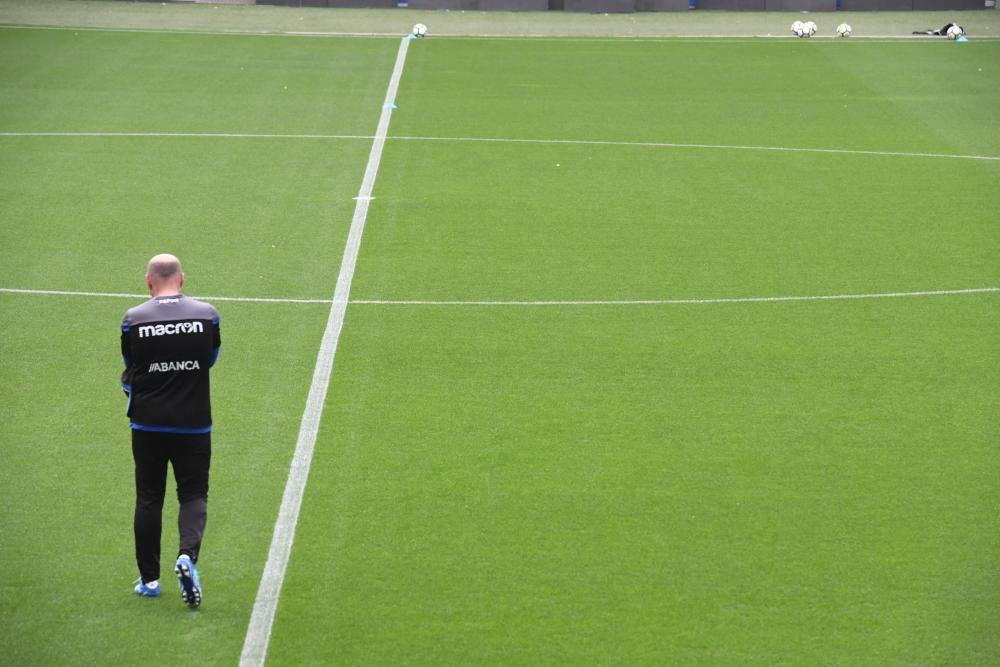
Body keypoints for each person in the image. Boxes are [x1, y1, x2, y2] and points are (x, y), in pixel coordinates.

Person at [121, 254, 221, 608]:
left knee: (149, 496)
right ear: (183, 278)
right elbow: (210, 358)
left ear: (149, 281)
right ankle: (187, 557)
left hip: (147, 423)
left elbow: (130, 366)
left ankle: (149, 580)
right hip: (194, 422)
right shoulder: (206, 314)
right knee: (193, 493)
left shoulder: (133, 319)